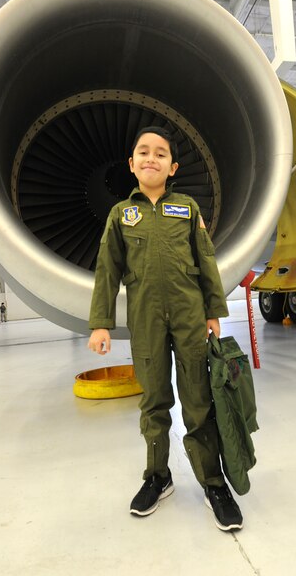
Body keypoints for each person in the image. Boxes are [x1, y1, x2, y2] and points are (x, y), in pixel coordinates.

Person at [88, 126, 243, 531]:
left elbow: (206, 261)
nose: (151, 158)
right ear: (132, 164)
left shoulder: (187, 209)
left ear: (172, 167)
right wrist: (101, 323)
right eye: (143, 152)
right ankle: (158, 476)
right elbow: (107, 271)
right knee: (153, 402)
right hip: (145, 319)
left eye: (160, 154)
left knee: (198, 402)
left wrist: (213, 310)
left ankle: (213, 482)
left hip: (190, 317)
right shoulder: (122, 215)